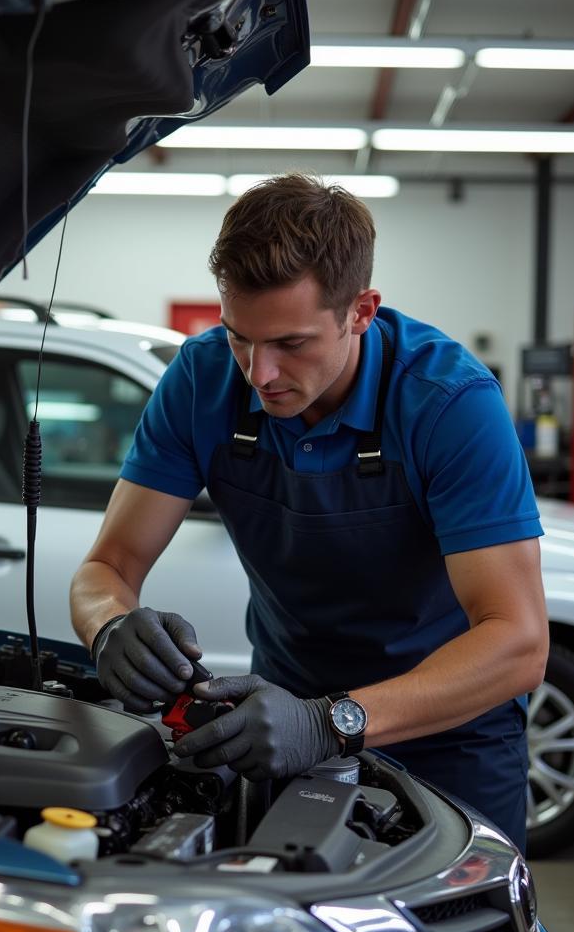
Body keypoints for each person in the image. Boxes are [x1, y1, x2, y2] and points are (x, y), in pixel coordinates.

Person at [69, 172, 548, 850]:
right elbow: (106, 566)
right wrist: (110, 625)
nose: (258, 374)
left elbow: (518, 643)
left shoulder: (448, 403)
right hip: (276, 722)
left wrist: (332, 724)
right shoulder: (202, 380)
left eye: (291, 344)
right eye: (240, 337)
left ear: (361, 311)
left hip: (452, 733)